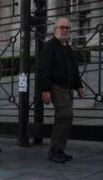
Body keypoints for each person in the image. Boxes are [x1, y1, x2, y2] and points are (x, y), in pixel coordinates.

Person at [36, 17, 84, 163]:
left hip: (68, 88)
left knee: (65, 118)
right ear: (55, 29)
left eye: (67, 28)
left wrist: (79, 86)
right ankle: (54, 150)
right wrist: (45, 90)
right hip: (56, 87)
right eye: (61, 27)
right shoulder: (50, 46)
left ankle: (59, 149)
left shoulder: (67, 47)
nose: (64, 30)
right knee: (65, 116)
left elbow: (73, 69)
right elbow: (43, 69)